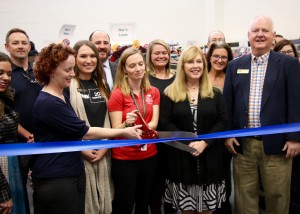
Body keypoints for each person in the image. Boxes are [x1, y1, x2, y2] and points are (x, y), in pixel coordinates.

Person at [31, 43, 142, 214]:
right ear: (51, 70)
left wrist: (106, 144)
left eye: (72, 69)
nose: (72, 74)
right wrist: (124, 130)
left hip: (69, 171)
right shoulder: (50, 102)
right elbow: (85, 131)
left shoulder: (59, 95)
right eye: (68, 70)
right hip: (57, 176)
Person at [223, 16, 300, 214]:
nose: (260, 34)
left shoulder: (288, 64)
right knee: (244, 197)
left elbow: (295, 102)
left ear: (273, 36)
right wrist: (229, 134)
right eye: (255, 30)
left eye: (265, 31)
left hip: (278, 145)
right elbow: (228, 105)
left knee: (277, 196)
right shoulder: (234, 66)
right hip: (243, 145)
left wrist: (294, 138)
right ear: (248, 35)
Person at [159, 45, 228, 214]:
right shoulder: (169, 93)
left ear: (204, 65)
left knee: (207, 210)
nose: (195, 65)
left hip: (210, 158)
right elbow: (165, 123)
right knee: (187, 209)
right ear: (182, 66)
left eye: (199, 61)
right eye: (190, 62)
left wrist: (204, 142)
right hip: (181, 159)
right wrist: (189, 143)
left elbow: (223, 121)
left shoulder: (215, 93)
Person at [108, 47, 160, 214]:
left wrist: (142, 128)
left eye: (140, 64)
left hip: (149, 155)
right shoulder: (117, 94)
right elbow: (115, 129)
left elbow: (154, 123)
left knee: (144, 202)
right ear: (124, 70)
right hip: (124, 157)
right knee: (125, 202)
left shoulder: (153, 92)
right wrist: (126, 125)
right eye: (132, 66)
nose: (138, 69)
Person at [70, 40, 113, 214]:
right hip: (79, 155)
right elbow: (64, 124)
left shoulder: (102, 84)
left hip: (104, 152)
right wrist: (81, 149)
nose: (88, 60)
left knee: (105, 196)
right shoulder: (68, 85)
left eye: (92, 56)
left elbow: (110, 119)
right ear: (74, 58)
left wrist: (105, 146)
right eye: (83, 56)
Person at [4, 28, 41, 213]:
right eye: (15, 43)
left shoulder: (39, 73)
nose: (20, 46)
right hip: (18, 144)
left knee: (43, 191)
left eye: (24, 42)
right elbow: (5, 113)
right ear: (7, 47)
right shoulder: (6, 76)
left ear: (29, 45)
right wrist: (27, 135)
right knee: (19, 194)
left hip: (43, 142)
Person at [145, 39, 176, 214]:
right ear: (150, 56)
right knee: (155, 181)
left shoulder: (178, 76)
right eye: (157, 53)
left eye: (164, 53)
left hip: (173, 135)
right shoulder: (145, 78)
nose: (161, 56)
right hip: (153, 137)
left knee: (172, 178)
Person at [273, 39, 300, 214]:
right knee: (291, 184)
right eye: (282, 53)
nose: (286, 56)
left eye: (289, 52)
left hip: (294, 135)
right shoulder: (275, 75)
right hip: (285, 138)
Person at [0, 51, 26, 214]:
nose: (6, 78)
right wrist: (3, 194)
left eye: (9, 74)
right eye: (0, 73)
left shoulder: (5, 97)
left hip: (11, 166)